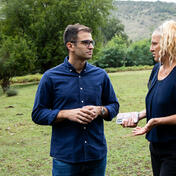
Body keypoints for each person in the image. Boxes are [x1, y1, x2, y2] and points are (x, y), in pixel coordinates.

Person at [32, 23, 119, 176]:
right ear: (70, 45)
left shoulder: (101, 75)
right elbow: (38, 114)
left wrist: (100, 110)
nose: (91, 46)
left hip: (96, 156)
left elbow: (114, 106)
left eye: (91, 42)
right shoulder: (51, 77)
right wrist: (66, 114)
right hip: (66, 158)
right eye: (85, 42)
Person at [121, 20, 176, 176]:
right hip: (156, 147)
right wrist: (139, 115)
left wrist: (156, 121)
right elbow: (158, 105)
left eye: (155, 44)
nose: (150, 48)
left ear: (168, 44)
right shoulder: (156, 69)